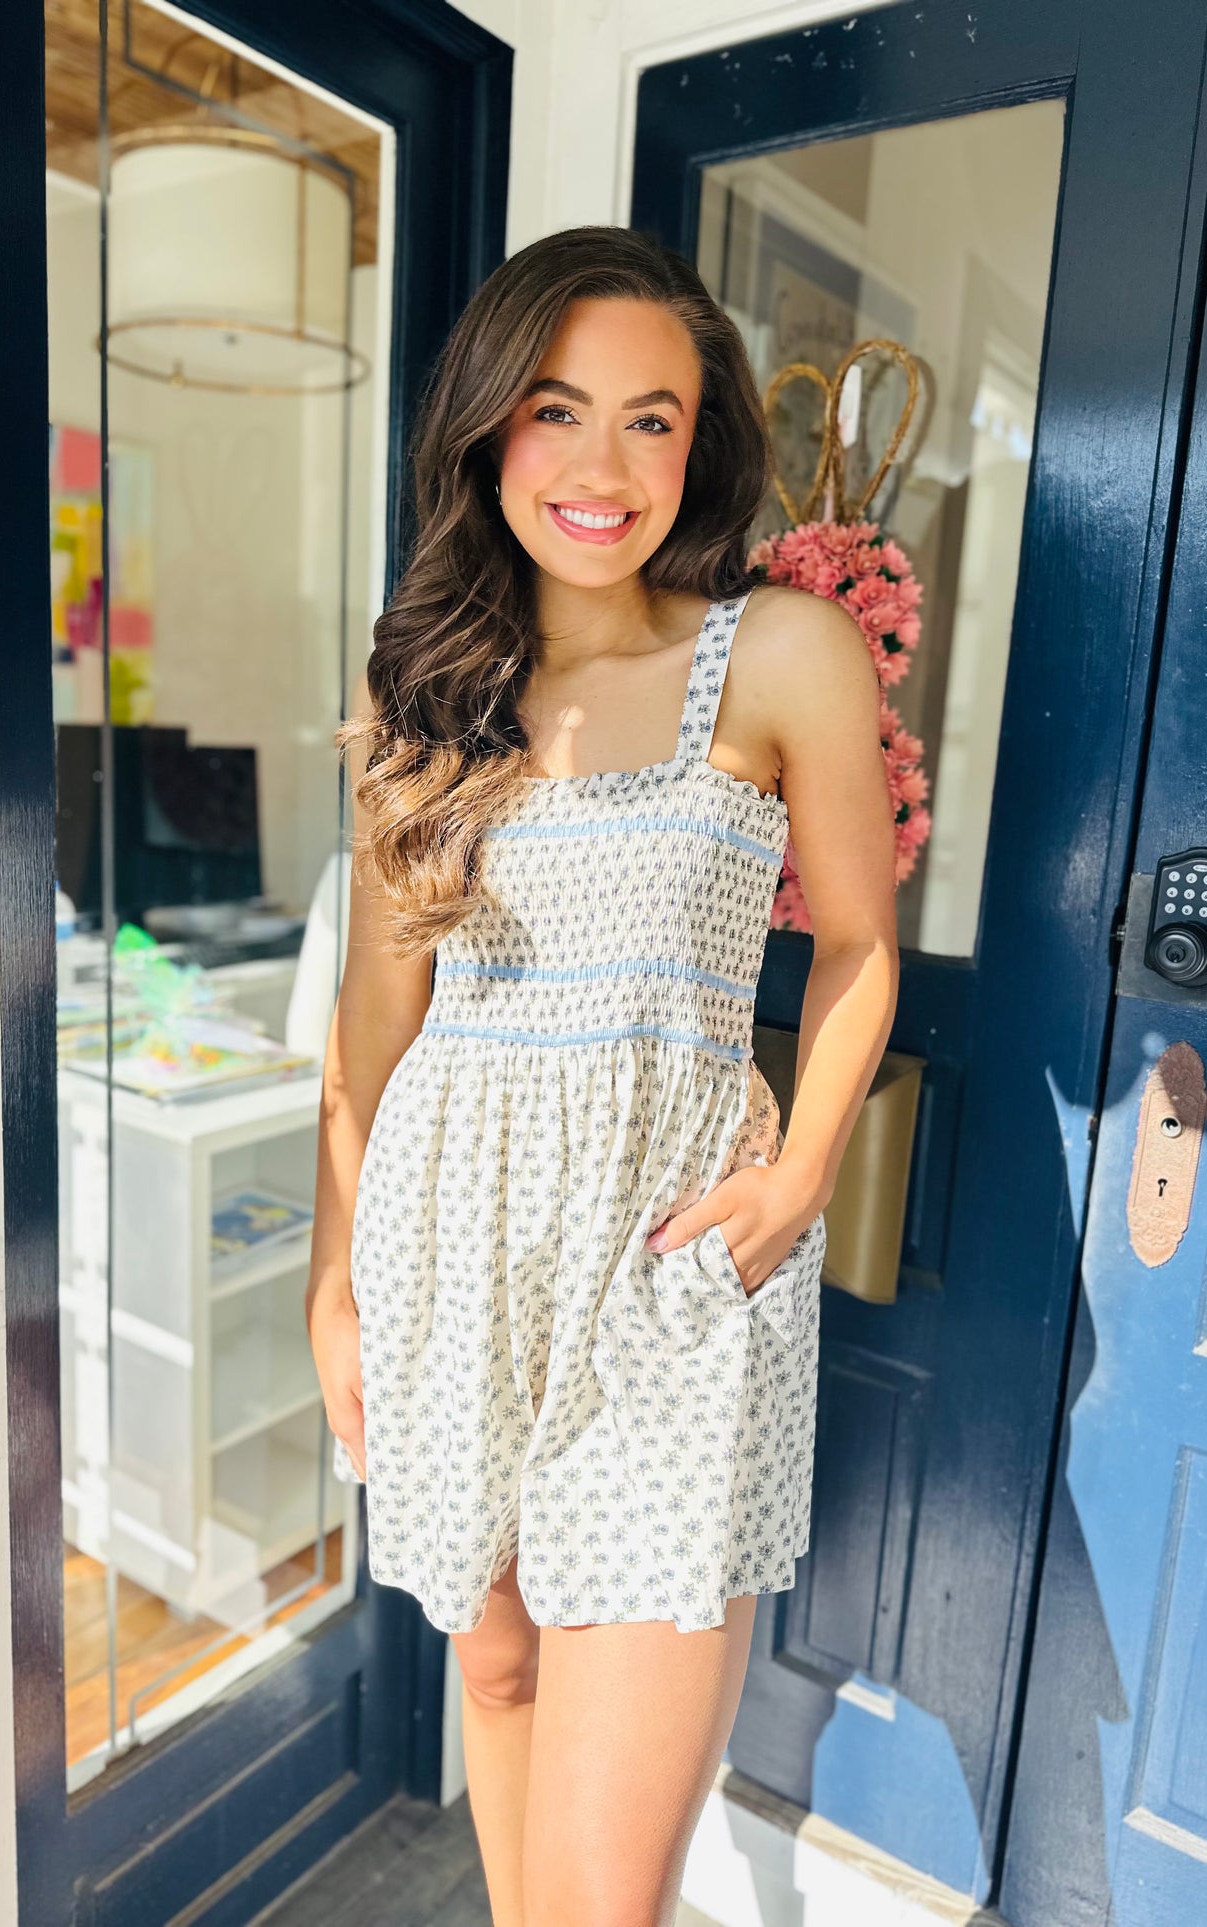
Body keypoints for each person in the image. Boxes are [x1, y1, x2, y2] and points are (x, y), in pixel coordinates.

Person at [306, 225, 899, 1927]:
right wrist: (334, 1287)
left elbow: (856, 948)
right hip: (447, 1260)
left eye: (652, 419)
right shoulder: (423, 685)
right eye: (556, 410)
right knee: (494, 1671)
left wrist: (795, 1180)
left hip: (661, 1277)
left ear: (700, 445)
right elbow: (372, 1024)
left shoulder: (778, 654)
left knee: (598, 1894)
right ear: (486, 424)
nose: (602, 466)